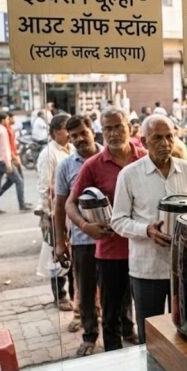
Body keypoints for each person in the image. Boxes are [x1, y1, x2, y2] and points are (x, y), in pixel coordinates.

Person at [111, 115, 187, 344]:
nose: (165, 143)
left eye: (169, 136)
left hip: (183, 268)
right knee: (149, 335)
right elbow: (118, 220)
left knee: (184, 330)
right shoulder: (130, 175)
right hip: (147, 269)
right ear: (143, 140)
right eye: (157, 138)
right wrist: (146, 230)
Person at [65, 108, 144, 352]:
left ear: (129, 128)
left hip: (143, 249)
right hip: (110, 252)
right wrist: (85, 226)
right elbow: (70, 203)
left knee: (144, 314)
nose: (113, 133)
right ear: (102, 131)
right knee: (110, 318)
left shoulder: (145, 158)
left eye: (118, 127)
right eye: (107, 128)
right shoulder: (93, 165)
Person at [54, 115, 103, 357]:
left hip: (113, 239)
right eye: (73, 136)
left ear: (92, 130)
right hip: (83, 241)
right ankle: (90, 335)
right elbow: (60, 206)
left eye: (83, 133)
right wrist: (60, 243)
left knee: (119, 289)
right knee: (84, 291)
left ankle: (126, 329)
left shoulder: (109, 157)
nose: (79, 139)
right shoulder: (65, 166)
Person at [36, 114, 74, 312]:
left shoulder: (72, 149)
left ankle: (76, 295)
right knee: (56, 254)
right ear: (54, 132)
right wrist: (50, 214)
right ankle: (60, 296)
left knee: (73, 254)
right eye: (66, 129)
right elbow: (45, 186)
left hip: (71, 212)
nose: (69, 133)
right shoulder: (49, 154)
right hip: (54, 212)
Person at [0, 112, 31, 214]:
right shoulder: (3, 131)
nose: (8, 121)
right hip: (3, 160)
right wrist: (8, 164)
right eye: (7, 119)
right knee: (19, 181)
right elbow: (5, 149)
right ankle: (22, 205)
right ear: (3, 120)